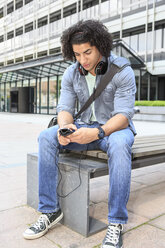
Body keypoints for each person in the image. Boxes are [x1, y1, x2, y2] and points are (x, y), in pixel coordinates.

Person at [23, 19, 136, 248]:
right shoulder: (71, 74)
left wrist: (96, 133)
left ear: (100, 47)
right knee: (46, 137)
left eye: (87, 52)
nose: (83, 60)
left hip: (114, 130)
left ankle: (116, 222)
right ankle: (50, 211)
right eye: (77, 54)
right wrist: (65, 128)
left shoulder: (122, 70)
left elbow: (124, 116)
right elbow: (64, 109)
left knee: (119, 145)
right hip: (83, 126)